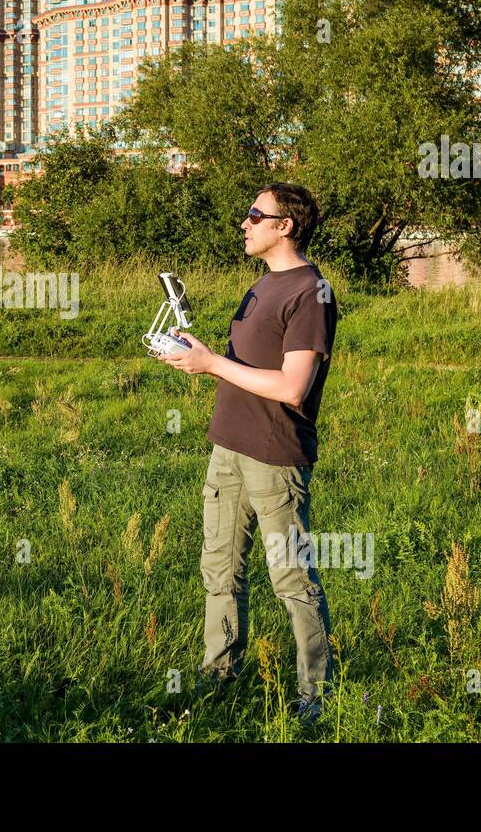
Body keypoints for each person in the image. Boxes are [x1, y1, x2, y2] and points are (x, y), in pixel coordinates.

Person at [157, 182, 337, 726]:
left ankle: (316, 696)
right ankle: (219, 682)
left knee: (291, 577)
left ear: (286, 226)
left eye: (256, 215)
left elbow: (291, 388)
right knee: (220, 569)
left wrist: (212, 365)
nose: (245, 222)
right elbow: (246, 363)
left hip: (274, 455)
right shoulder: (262, 284)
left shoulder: (312, 292)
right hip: (228, 447)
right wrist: (198, 356)